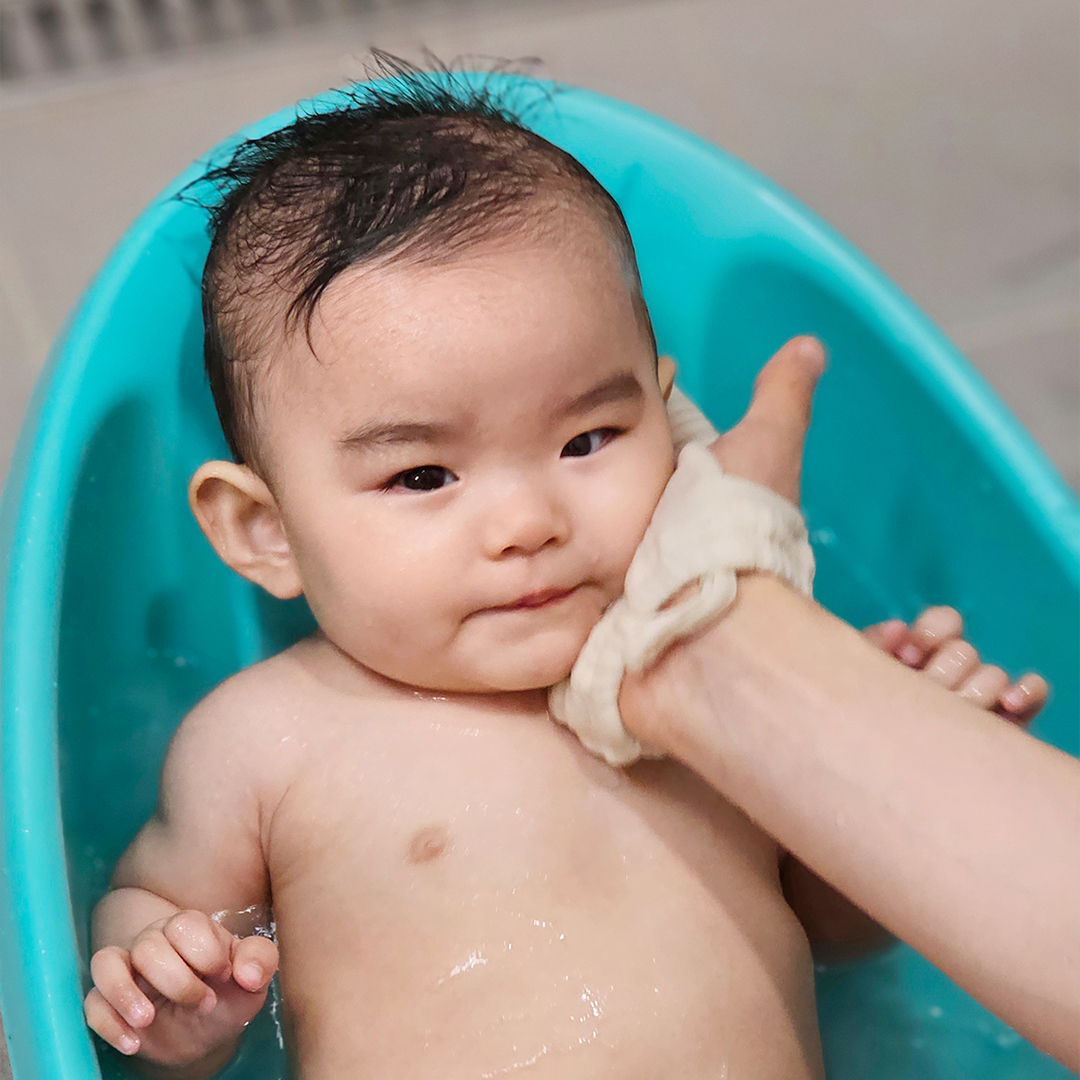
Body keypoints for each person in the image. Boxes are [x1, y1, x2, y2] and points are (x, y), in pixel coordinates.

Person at [81, 66, 1055, 1077]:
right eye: (423, 474)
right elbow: (154, 911)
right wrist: (168, 994)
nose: (528, 522)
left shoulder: (728, 678)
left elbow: (839, 934)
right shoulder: (263, 740)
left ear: (669, 422)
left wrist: (907, 765)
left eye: (588, 439)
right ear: (265, 532)